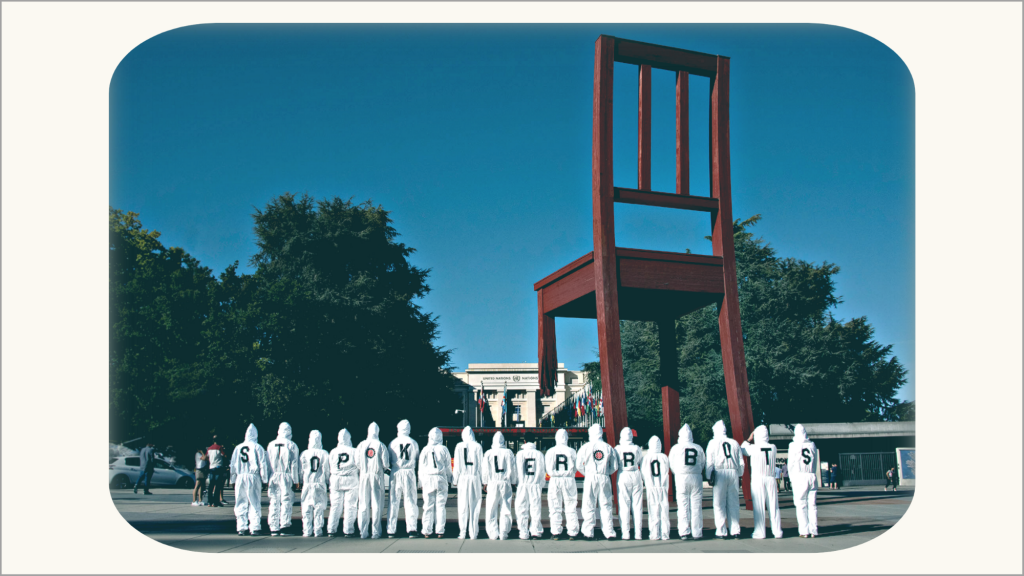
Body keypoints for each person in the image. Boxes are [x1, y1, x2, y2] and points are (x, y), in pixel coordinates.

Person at [576, 423, 620, 540]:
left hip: (590, 477)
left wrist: (587, 473)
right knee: (606, 505)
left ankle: (588, 532)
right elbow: (615, 466)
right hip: (604, 477)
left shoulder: (585, 447)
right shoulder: (608, 447)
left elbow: (579, 464)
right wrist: (606, 473)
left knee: (588, 504)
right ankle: (609, 532)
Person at [740, 425, 782, 539]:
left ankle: (760, 531)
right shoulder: (773, 447)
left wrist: (749, 439)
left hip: (758, 478)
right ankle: (777, 531)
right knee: (774, 506)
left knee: (759, 507)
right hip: (771, 478)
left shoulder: (754, 447)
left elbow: (742, 449)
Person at [229, 424, 270, 536]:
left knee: (241, 501)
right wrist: (264, 479)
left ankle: (241, 527)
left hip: (240, 476)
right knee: (254, 501)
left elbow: (232, 465)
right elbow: (262, 464)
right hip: (253, 476)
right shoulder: (258, 447)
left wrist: (232, 479)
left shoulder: (238, 447)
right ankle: (255, 527)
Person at [706, 420, 744, 539]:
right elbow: (741, 462)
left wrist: (708, 476)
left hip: (720, 472)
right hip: (733, 472)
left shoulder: (712, 442)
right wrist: (739, 475)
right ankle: (735, 530)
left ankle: (721, 530)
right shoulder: (734, 443)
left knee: (719, 503)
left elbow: (709, 462)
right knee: (733, 503)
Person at [668, 424, 706, 540]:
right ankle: (697, 532)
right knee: (696, 505)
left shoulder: (676, 448)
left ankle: (684, 531)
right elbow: (702, 462)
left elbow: (672, 464)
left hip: (681, 476)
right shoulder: (698, 447)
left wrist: (678, 473)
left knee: (683, 504)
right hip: (696, 476)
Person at [355, 422, 391, 539]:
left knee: (363, 504)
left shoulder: (361, 445)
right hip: (376, 476)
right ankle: (376, 532)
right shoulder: (381, 445)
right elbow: (386, 464)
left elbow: (357, 463)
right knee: (377, 504)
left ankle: (363, 532)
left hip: (364, 475)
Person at [387, 420, 421, 538]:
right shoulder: (413, 443)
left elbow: (389, 459)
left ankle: (391, 529)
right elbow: (417, 458)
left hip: (396, 471)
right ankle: (412, 529)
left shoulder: (393, 443)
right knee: (410, 500)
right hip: (409, 472)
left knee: (393, 501)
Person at [544, 428, 580, 541]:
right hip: (569, 479)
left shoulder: (550, 451)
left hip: (555, 480)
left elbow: (548, 468)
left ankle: (556, 532)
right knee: (571, 506)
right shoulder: (572, 451)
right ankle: (572, 532)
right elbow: (576, 467)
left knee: (554, 506)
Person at [266, 422, 301, 536]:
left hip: (273, 475)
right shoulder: (292, 445)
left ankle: (273, 527)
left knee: (274, 501)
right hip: (286, 476)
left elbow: (267, 462)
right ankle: (284, 526)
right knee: (286, 500)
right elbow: (294, 464)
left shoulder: (271, 444)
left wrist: (266, 478)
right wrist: (296, 480)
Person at [418, 427, 452, 538]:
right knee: (441, 506)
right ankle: (440, 531)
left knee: (428, 506)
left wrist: (421, 482)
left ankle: (427, 530)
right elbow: (447, 467)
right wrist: (450, 479)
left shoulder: (425, 449)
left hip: (428, 478)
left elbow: (421, 467)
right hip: (441, 478)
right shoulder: (444, 449)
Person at [482, 431, 516, 540]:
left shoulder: (488, 453)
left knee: (491, 508)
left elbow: (485, 470)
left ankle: (493, 533)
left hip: (492, 483)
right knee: (505, 507)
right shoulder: (508, 452)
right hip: (505, 482)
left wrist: (485, 482)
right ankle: (504, 533)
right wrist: (513, 481)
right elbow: (512, 468)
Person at [452, 426, 485, 540]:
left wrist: (455, 479)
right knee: (475, 505)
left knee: (462, 505)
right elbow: (481, 465)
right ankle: (473, 533)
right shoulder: (478, 446)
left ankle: (462, 532)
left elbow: (456, 465)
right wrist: (483, 480)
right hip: (475, 477)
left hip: (463, 478)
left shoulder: (459, 446)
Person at [787, 423, 818, 538]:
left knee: (801, 504)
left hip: (799, 476)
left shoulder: (793, 445)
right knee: (812, 504)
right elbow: (815, 462)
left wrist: (791, 479)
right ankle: (814, 530)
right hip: (811, 475)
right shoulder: (812, 445)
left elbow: (791, 464)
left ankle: (804, 530)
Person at [327, 428, 359, 537]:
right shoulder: (354, 451)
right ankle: (348, 530)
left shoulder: (333, 451)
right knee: (350, 506)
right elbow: (358, 465)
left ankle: (331, 529)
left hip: (336, 478)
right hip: (350, 479)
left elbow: (330, 465)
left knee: (335, 505)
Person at [614, 427, 644, 540]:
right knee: (637, 506)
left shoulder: (618, 448)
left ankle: (625, 533)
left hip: (623, 474)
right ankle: (638, 533)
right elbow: (641, 461)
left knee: (624, 505)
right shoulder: (636, 448)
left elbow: (614, 464)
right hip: (636, 473)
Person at [299, 430, 330, 537]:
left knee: (306, 507)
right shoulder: (324, 453)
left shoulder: (304, 453)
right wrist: (327, 480)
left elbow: (301, 469)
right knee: (319, 507)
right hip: (319, 483)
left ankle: (307, 530)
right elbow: (326, 469)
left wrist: (300, 480)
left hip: (308, 483)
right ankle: (318, 530)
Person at [513, 436, 545, 540]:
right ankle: (535, 531)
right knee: (535, 508)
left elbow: (516, 470)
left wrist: (516, 482)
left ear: (524, 441)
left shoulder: (519, 454)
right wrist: (540, 484)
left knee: (522, 508)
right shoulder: (539, 454)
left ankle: (523, 532)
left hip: (523, 484)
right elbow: (541, 471)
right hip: (535, 484)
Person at [641, 436, 671, 540]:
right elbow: (667, 470)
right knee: (664, 510)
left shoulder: (646, 457)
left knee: (653, 510)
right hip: (662, 487)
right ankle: (665, 534)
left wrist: (647, 483)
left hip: (651, 487)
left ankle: (654, 534)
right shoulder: (664, 457)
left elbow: (643, 472)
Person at [207, 435, 228, 507]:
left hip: (211, 467)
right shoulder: (219, 447)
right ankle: (216, 502)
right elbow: (225, 455)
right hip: (218, 467)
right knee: (218, 485)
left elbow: (206, 457)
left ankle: (210, 501)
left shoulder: (209, 448)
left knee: (211, 485)